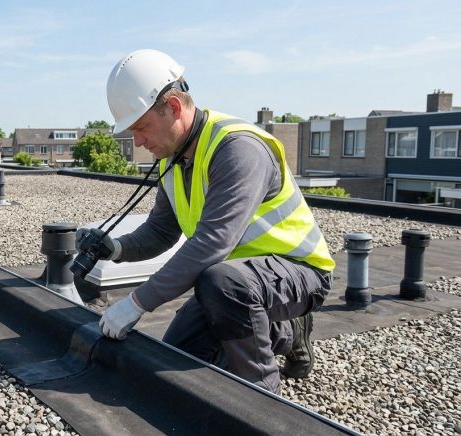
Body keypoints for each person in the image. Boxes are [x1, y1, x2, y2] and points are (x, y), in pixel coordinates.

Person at [78, 49, 335, 394]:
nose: (137, 141)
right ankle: (285, 332)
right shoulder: (175, 158)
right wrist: (117, 249)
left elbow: (213, 242)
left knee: (222, 285)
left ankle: (263, 405)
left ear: (173, 107)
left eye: (140, 127)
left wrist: (136, 304)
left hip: (297, 271)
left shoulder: (237, 148)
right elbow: (160, 231)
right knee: (177, 355)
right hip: (233, 281)